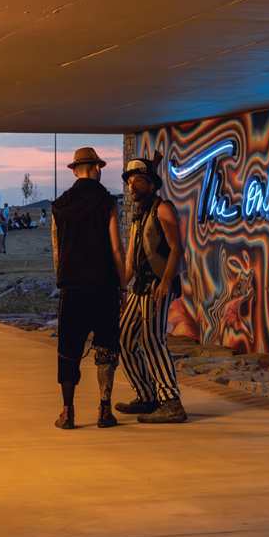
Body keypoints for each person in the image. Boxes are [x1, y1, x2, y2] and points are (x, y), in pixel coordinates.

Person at [49, 147, 126, 430]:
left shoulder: (60, 205)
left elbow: (57, 250)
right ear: (97, 168)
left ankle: (68, 412)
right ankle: (104, 409)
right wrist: (123, 285)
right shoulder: (107, 201)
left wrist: (63, 277)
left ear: (73, 170)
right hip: (103, 285)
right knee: (106, 347)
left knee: (68, 349)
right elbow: (117, 248)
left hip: (72, 288)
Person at [116, 157, 187, 423]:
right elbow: (131, 259)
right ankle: (146, 396)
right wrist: (121, 287)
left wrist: (167, 281)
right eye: (130, 182)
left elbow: (176, 247)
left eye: (138, 181)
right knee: (123, 339)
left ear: (151, 184)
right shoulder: (138, 215)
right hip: (139, 288)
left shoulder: (162, 209)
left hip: (158, 287)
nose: (132, 186)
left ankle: (170, 401)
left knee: (152, 340)